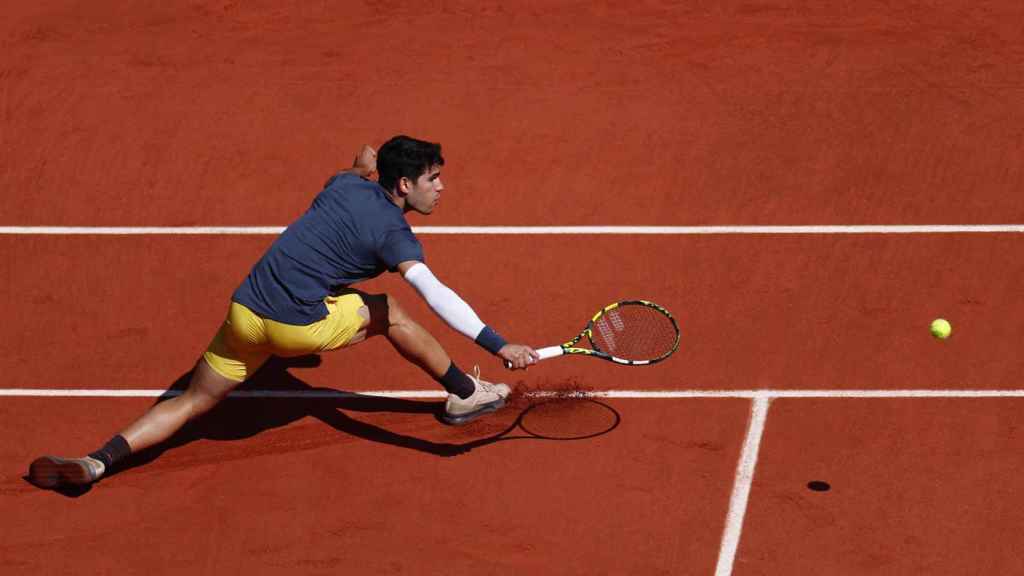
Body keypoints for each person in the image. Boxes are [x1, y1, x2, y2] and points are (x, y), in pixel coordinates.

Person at [28, 135, 539, 489]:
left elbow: (358, 165)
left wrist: (367, 164)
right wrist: (497, 343)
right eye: (433, 178)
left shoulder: (343, 185)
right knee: (389, 312)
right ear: (403, 185)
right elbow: (436, 293)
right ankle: (466, 395)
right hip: (294, 328)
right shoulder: (393, 233)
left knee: (189, 401)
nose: (441, 187)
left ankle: (97, 461)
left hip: (245, 312)